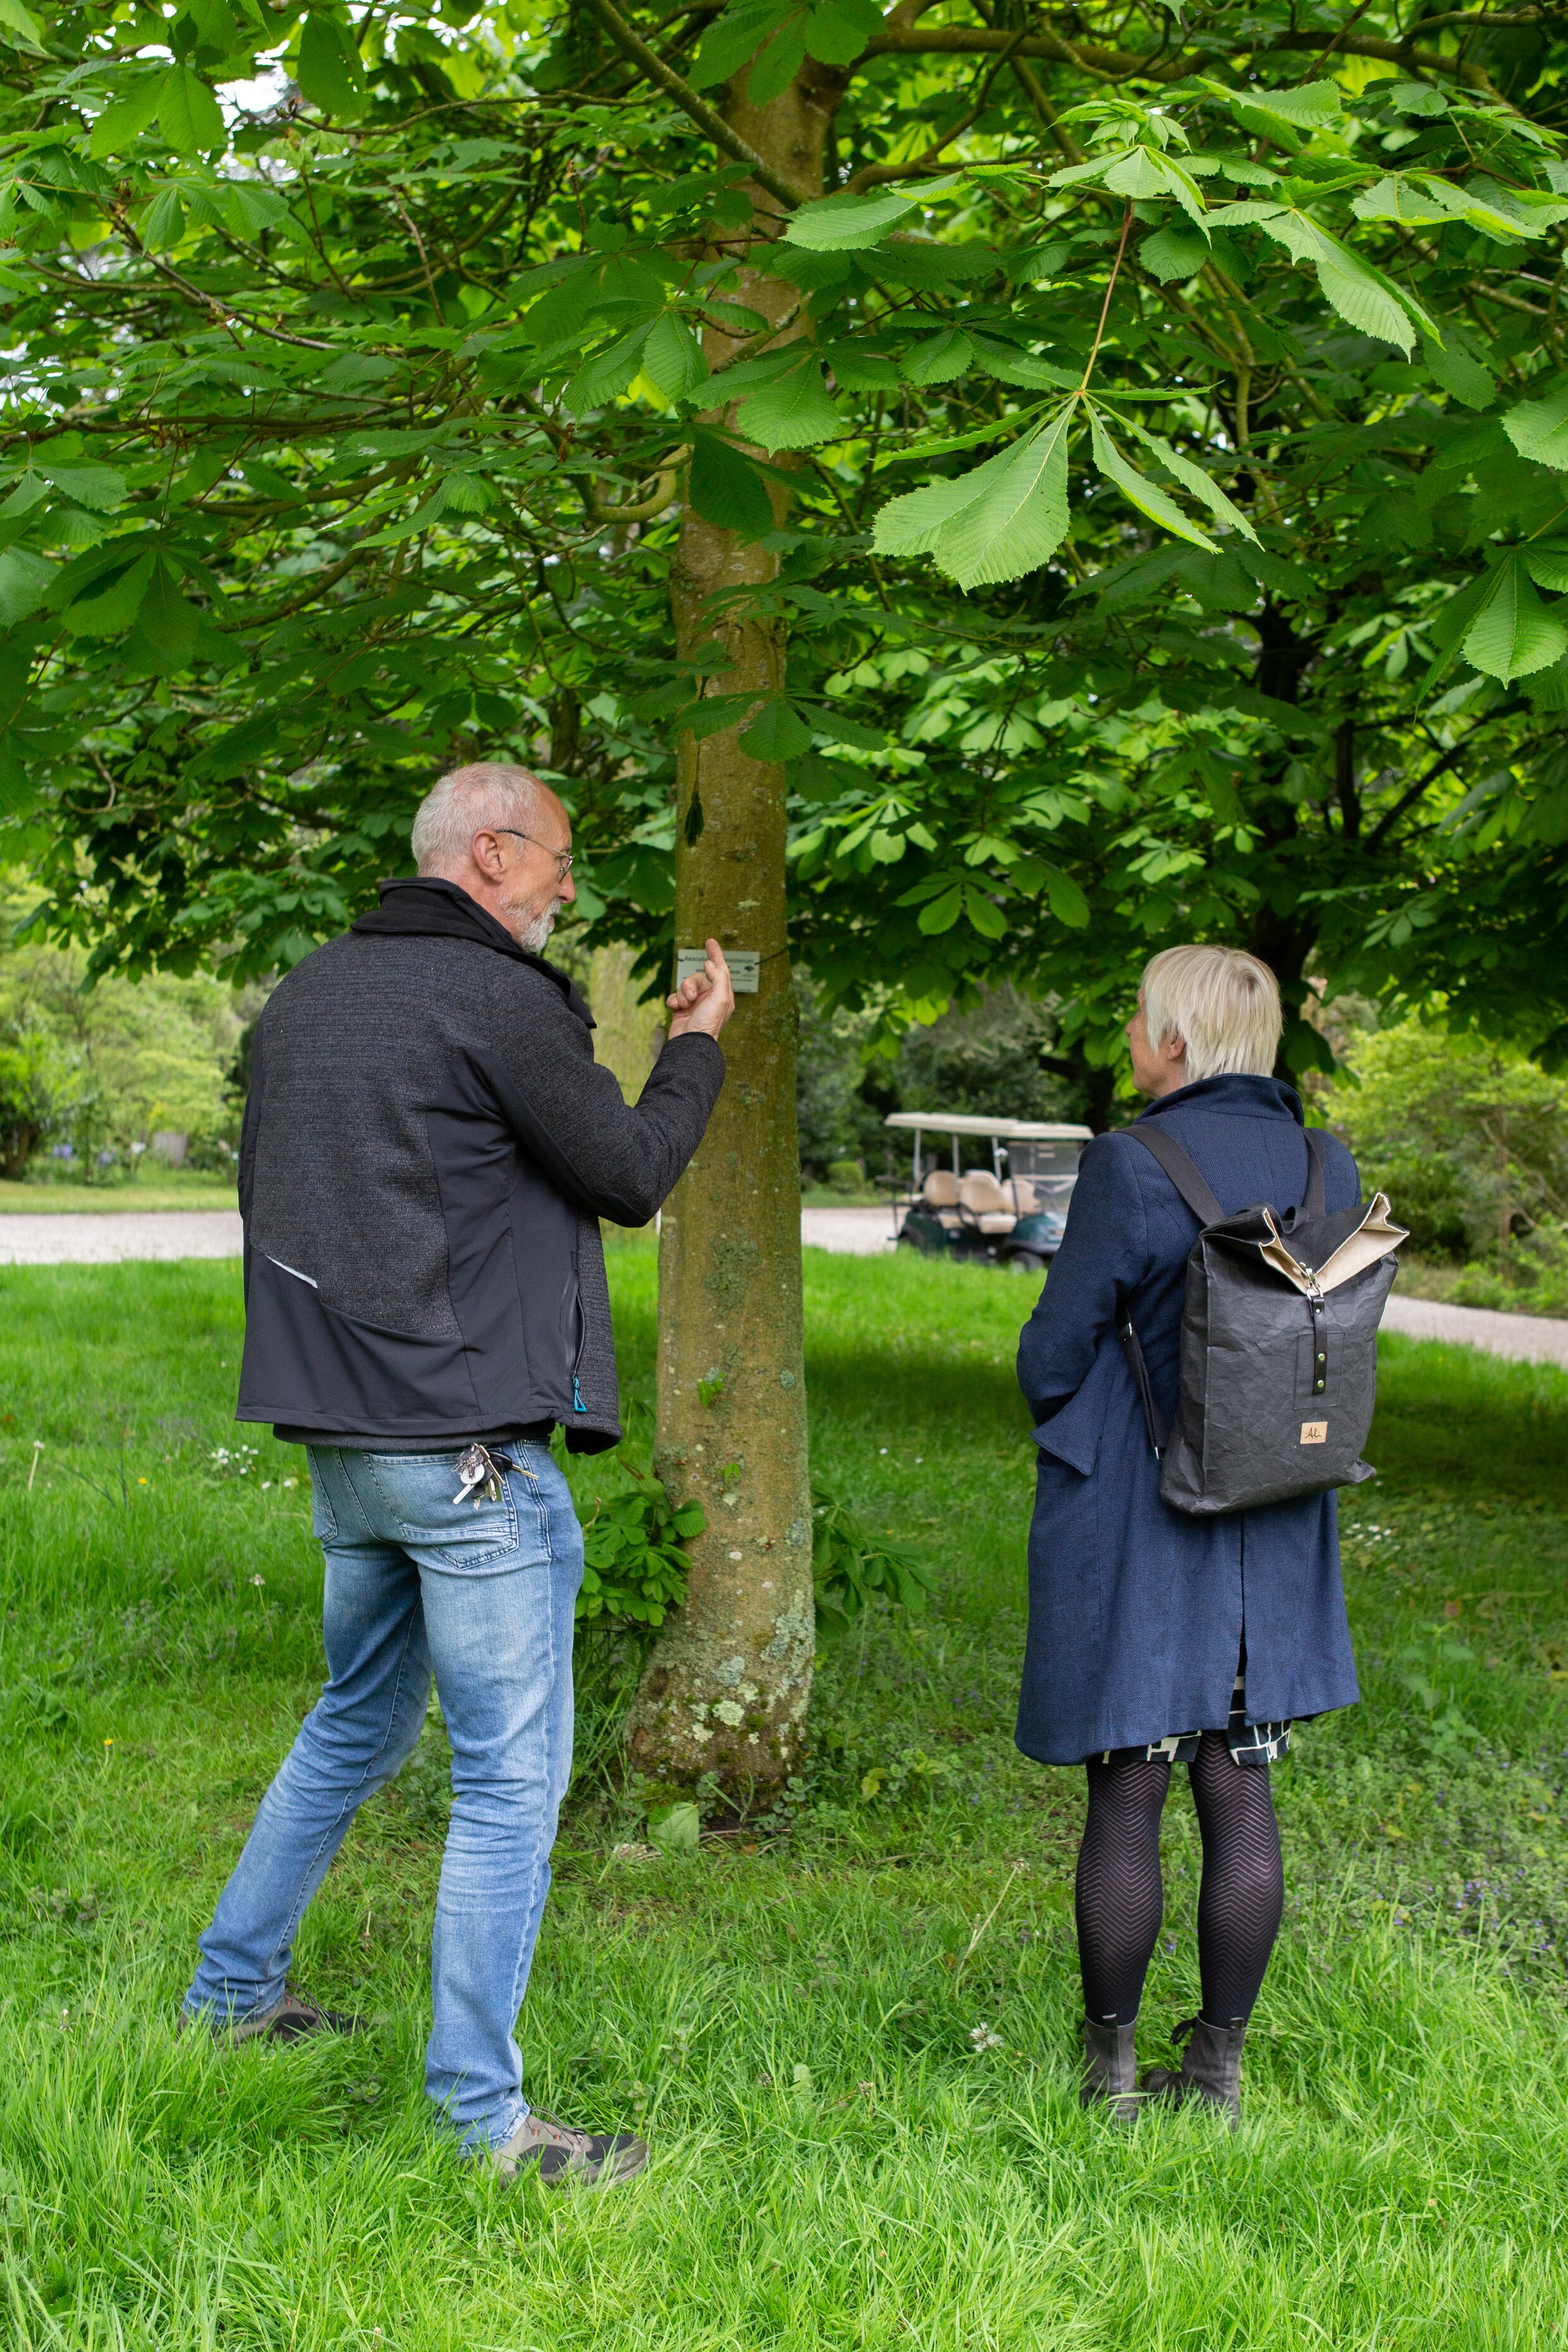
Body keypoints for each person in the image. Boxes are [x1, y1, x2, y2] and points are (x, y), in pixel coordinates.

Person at [181, 761, 734, 2189]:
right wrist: (697, 1049)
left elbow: (284, 1204)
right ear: (490, 854)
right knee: (509, 1786)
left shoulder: (303, 996)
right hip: (470, 1456)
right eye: (557, 859)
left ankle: (230, 2004)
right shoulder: (493, 995)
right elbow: (626, 1171)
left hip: (347, 1446)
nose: (567, 885)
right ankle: (484, 2125)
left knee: (354, 1726)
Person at [1014, 945, 1361, 2125]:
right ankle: (1216, 2071)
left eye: (1137, 1017)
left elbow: (1057, 1347)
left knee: (1131, 1782)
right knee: (1242, 1773)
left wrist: (1067, 1414)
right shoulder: (1329, 1160)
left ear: (1172, 1040)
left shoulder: (1133, 1162)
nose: (1130, 1035)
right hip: (1276, 1495)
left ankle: (1109, 2075)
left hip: (1146, 1495)